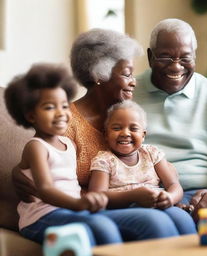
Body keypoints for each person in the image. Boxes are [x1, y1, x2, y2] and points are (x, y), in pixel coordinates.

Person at [12, 29, 187, 241]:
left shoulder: (124, 116)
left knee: (181, 218)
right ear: (98, 75)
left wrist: (168, 196)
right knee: (154, 222)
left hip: (121, 203)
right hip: (94, 206)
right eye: (126, 73)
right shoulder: (66, 125)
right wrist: (18, 172)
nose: (134, 81)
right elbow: (38, 164)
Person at [133, 18, 207, 237]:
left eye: (185, 57)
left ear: (194, 56)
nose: (176, 66)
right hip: (153, 192)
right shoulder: (128, 93)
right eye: (166, 57)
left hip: (204, 191)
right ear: (151, 56)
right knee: (175, 221)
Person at [4, 63, 123, 246]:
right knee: (100, 227)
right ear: (30, 116)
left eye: (65, 106)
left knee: (105, 224)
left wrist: (86, 202)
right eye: (50, 107)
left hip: (69, 212)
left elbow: (70, 184)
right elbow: (45, 189)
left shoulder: (69, 143)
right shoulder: (36, 147)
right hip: (40, 217)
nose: (61, 113)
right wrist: (79, 204)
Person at [88, 100, 197, 235]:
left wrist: (170, 198)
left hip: (158, 204)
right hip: (124, 209)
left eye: (133, 128)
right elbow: (97, 195)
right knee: (159, 222)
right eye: (116, 128)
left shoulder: (151, 153)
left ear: (143, 135)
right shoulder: (104, 160)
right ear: (105, 134)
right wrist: (133, 196)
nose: (125, 133)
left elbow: (174, 184)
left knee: (182, 219)